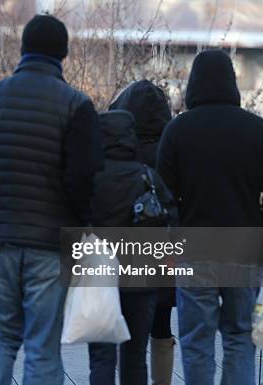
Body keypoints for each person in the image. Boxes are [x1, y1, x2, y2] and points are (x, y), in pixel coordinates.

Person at [0, 14, 103, 385]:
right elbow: (81, 179)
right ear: (64, 53)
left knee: (0, 339)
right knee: (41, 345)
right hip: (49, 243)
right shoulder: (76, 105)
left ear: (23, 49)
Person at [157, 49, 263, 385]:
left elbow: (162, 195)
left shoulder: (177, 131)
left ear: (193, 84)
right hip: (243, 250)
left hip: (194, 250)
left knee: (197, 342)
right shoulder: (257, 131)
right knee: (239, 339)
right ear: (232, 83)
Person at [88, 110, 177, 385]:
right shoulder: (146, 177)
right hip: (140, 281)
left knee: (102, 357)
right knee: (135, 355)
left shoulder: (90, 178)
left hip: (98, 278)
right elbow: (171, 221)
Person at [109, 79, 176, 385]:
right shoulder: (173, 146)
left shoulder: (120, 148)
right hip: (163, 251)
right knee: (161, 324)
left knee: (125, 330)